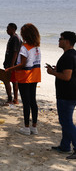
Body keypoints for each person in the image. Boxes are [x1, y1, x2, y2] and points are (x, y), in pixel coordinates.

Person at [5, 23, 41, 136]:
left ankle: (26, 127)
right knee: (33, 101)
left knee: (26, 102)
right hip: (35, 75)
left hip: (25, 77)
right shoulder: (36, 47)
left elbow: (22, 64)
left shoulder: (25, 47)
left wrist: (10, 69)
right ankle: (34, 126)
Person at [46, 31, 76, 159]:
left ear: (67, 41)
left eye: (61, 39)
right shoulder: (72, 55)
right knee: (65, 121)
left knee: (66, 122)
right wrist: (57, 69)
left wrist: (53, 73)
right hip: (70, 93)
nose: (58, 40)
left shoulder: (68, 56)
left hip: (67, 94)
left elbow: (67, 76)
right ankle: (65, 146)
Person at [3, 23, 21, 105]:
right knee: (13, 81)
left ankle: (12, 99)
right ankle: (14, 99)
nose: (7, 30)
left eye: (8, 29)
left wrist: (12, 65)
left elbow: (15, 52)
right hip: (9, 63)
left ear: (13, 29)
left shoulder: (15, 38)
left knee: (7, 80)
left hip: (12, 64)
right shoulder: (12, 38)